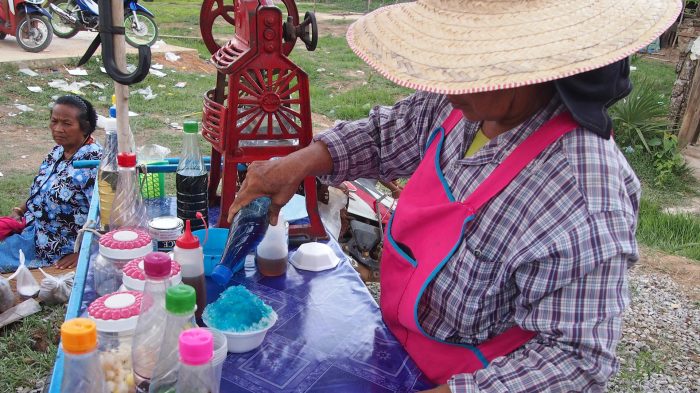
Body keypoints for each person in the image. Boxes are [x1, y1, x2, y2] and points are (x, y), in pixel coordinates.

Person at [227, 0, 681, 392]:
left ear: (537, 67)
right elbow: (387, 135)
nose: (444, 88)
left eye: (468, 70)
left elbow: (574, 361)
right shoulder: (466, 106)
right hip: (398, 348)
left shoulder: (583, 189)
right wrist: (296, 164)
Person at [0, 95, 102, 272]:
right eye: (54, 121)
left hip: (55, 248)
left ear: (84, 127)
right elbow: (41, 189)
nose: (57, 129)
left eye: (66, 124)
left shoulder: (92, 163)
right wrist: (20, 210)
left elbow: (109, 215)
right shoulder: (57, 153)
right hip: (33, 230)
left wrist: (86, 251)